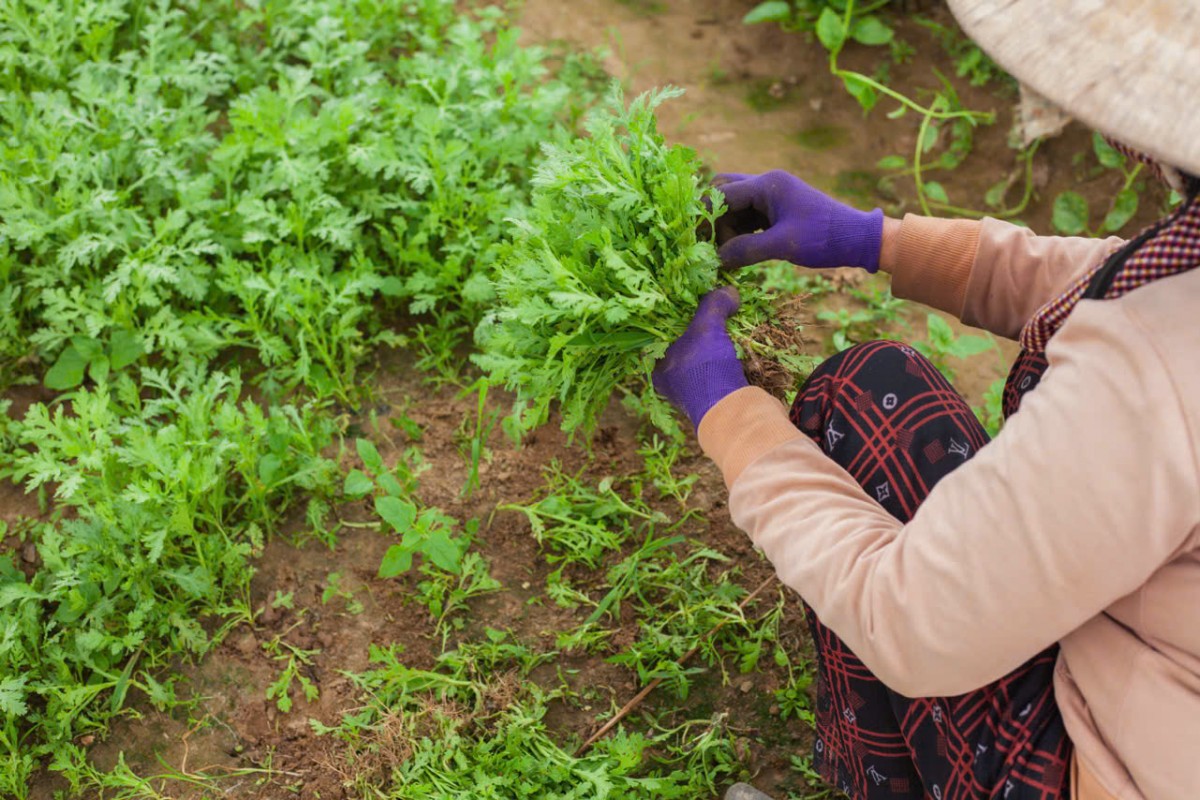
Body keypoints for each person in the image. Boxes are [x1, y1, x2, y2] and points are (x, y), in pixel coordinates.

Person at [652, 2, 1200, 799]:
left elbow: (908, 621)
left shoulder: (1158, 374)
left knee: (863, 402)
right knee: (889, 399)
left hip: (1118, 777)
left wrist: (726, 413)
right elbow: (1127, 278)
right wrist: (877, 240)